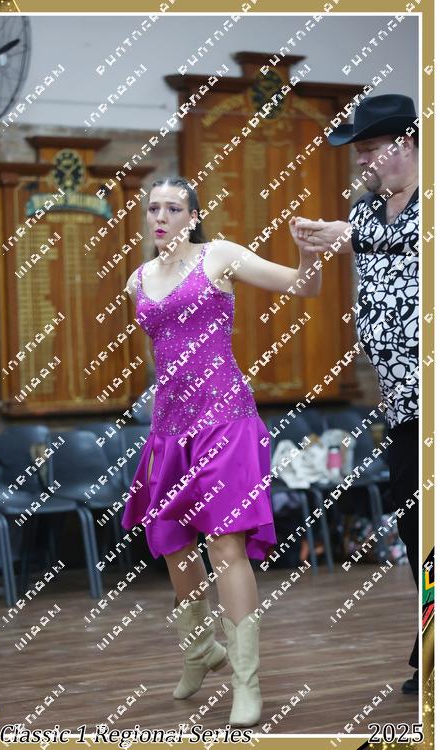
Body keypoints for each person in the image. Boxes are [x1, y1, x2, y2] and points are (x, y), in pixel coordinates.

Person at [122, 175, 322, 726]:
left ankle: (245, 680)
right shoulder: (138, 279)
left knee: (225, 546)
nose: (160, 217)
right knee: (172, 545)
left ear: (192, 216)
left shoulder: (219, 256)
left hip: (225, 420)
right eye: (153, 208)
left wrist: (308, 256)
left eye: (173, 208)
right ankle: (199, 650)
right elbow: (163, 355)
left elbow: (303, 288)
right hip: (169, 427)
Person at [290, 94, 420, 695]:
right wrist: (322, 237)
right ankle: (431, 636)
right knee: (415, 525)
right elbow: (353, 240)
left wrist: (347, 235)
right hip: (401, 407)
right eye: (359, 151)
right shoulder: (366, 212)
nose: (362, 161)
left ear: (406, 143)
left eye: (369, 148)